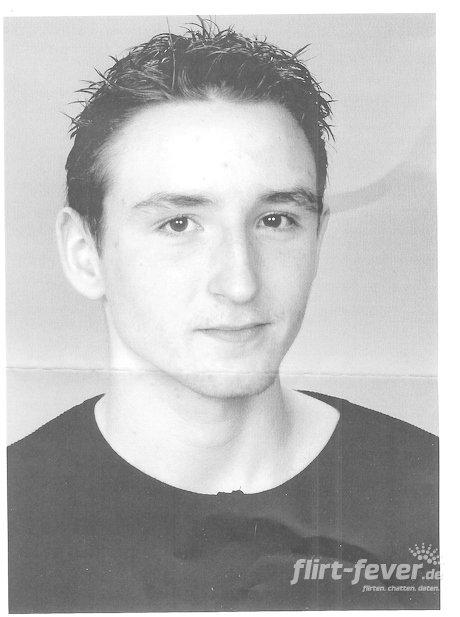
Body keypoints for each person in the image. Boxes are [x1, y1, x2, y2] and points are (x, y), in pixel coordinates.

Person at [8, 21, 438, 612]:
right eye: (179, 224)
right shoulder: (14, 511)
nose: (240, 284)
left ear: (318, 238)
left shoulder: (435, 490)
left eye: (276, 220)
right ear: (85, 253)